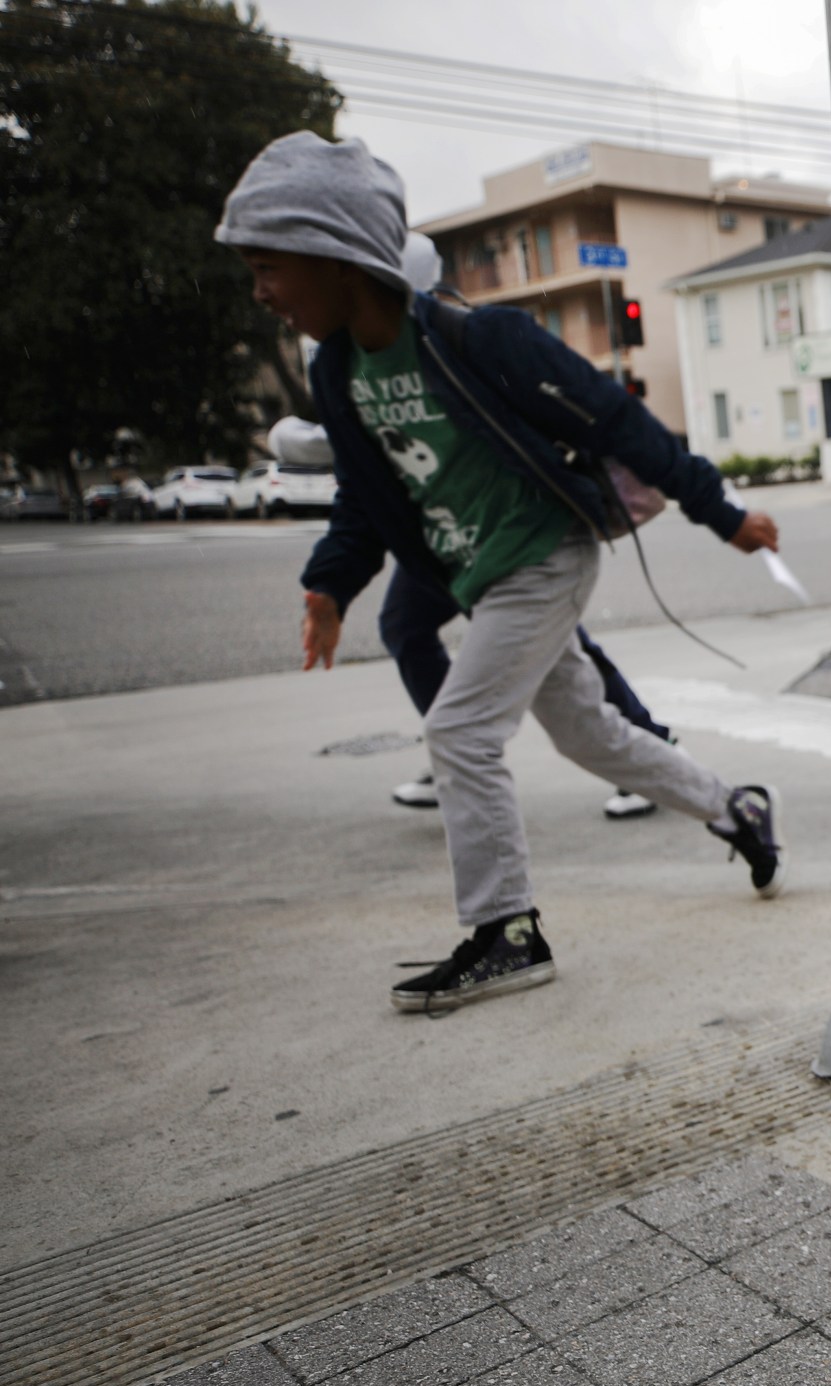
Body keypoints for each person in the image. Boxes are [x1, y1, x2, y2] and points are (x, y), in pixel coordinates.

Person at [219, 131, 787, 1013]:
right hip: (480, 576)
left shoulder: (475, 338)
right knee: (588, 735)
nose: (261, 290)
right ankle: (735, 809)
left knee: (459, 730)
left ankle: (506, 933)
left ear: (335, 255)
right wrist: (330, 583)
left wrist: (721, 514)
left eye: (269, 266)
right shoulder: (339, 372)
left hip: (545, 554)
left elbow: (619, 424)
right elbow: (368, 498)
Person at [275, 408, 664, 819]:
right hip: (433, 536)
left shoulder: (424, 351)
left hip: (492, 525)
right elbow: (353, 490)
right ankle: (457, 761)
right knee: (405, 626)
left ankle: (651, 746)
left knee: (559, 647)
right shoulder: (342, 366)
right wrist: (329, 584)